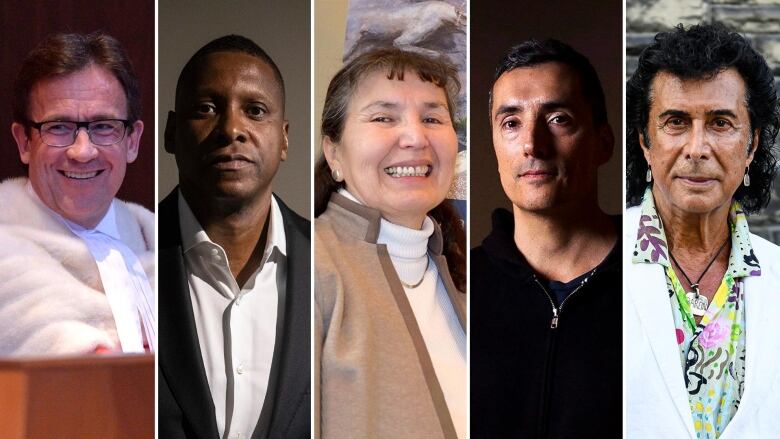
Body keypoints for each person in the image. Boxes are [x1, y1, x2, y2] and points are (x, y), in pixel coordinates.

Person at [625, 23, 780, 438]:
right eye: (676, 121)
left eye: (720, 123)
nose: (696, 148)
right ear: (644, 141)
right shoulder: (592, 257)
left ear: (751, 145)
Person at [157, 35, 310, 439]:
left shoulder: (332, 263)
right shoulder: (124, 256)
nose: (231, 129)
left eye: (255, 111)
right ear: (171, 133)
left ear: (285, 138)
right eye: (207, 108)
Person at [470, 39, 621, 437]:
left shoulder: (661, 281)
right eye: (511, 123)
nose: (532, 145)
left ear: (603, 143)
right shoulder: (453, 285)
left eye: (559, 119)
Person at [314, 48, 466, 439]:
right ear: (334, 153)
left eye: (432, 118)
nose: (415, 137)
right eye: (384, 117)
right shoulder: (304, 268)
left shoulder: (466, 273)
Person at [0, 32, 153, 356]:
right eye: (58, 127)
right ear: (24, 142)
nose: (82, 152)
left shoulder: (159, 240)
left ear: (132, 141)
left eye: (104, 126)